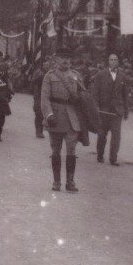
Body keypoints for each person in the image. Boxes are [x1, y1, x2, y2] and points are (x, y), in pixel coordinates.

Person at [38, 51, 86, 192]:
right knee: (56, 150)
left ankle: (70, 182)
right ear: (56, 59)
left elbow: (84, 96)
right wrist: (49, 114)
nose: (65, 61)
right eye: (63, 58)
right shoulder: (50, 76)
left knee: (71, 149)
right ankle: (57, 181)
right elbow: (44, 98)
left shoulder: (76, 76)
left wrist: (78, 98)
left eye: (68, 58)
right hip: (56, 117)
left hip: (72, 118)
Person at [87, 52, 129, 166]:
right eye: (111, 60)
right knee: (102, 134)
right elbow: (94, 93)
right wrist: (95, 107)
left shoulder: (123, 76)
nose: (113, 62)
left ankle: (113, 158)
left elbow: (125, 95)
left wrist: (126, 111)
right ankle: (100, 155)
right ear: (108, 62)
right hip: (103, 111)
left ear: (118, 62)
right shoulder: (100, 74)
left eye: (115, 60)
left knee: (116, 136)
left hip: (117, 111)